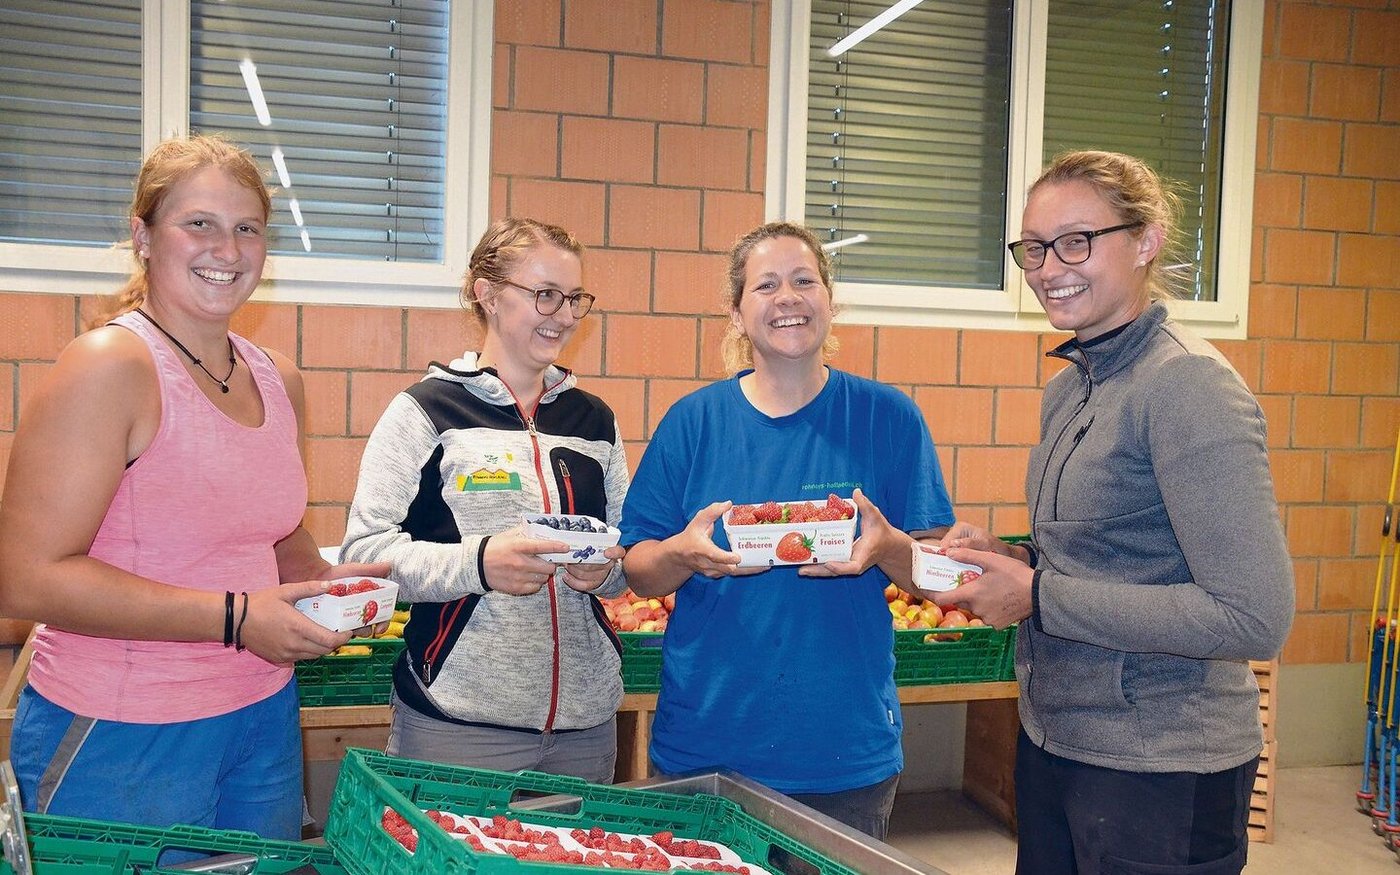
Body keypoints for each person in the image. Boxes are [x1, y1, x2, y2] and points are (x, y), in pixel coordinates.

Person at [0, 135, 387, 839]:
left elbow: (268, 529)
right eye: (199, 223)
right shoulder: (109, 366)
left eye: (248, 228)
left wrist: (323, 582)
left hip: (259, 715)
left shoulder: (278, 375)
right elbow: (25, 580)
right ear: (143, 235)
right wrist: (239, 616)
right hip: (121, 731)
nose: (228, 250)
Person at [936, 151, 1293, 874]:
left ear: (1146, 240)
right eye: (1034, 247)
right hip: (1060, 740)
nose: (1046, 267)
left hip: (1161, 766)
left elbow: (1254, 615)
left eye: (1077, 240)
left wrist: (1038, 594)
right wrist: (1019, 562)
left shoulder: (1186, 385)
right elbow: (1110, 556)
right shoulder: (1073, 386)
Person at [618, 221, 954, 839]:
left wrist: (890, 548)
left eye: (805, 281)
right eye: (766, 285)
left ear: (829, 299)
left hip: (842, 750)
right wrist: (683, 555)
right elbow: (638, 570)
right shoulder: (692, 423)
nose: (788, 298)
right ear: (737, 314)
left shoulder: (889, 418)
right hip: (706, 743)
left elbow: (941, 578)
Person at [340, 217, 629, 783]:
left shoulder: (595, 421)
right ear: (488, 294)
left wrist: (605, 571)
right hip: (458, 723)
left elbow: (624, 554)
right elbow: (363, 554)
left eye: (575, 298)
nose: (565, 316)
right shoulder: (425, 411)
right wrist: (479, 562)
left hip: (587, 727)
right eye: (546, 295)